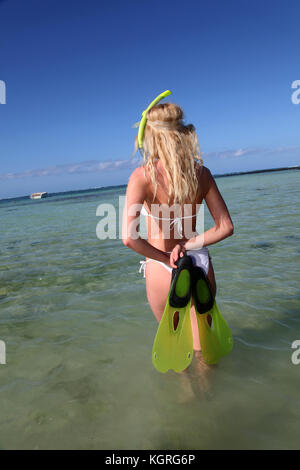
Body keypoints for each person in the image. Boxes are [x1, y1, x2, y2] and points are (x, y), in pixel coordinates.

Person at [122, 101, 233, 352]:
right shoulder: (201, 173)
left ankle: (185, 390)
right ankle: (208, 390)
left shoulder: (142, 177)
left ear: (149, 138)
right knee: (204, 347)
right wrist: (186, 245)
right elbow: (225, 226)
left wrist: (164, 256)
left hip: (162, 267)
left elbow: (129, 238)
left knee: (174, 347)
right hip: (198, 263)